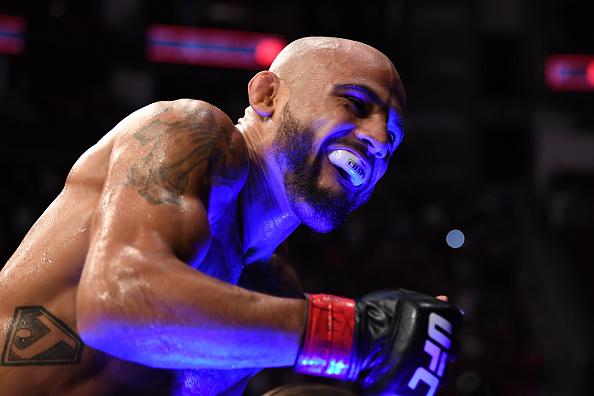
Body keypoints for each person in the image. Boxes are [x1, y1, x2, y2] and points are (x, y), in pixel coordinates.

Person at [0, 37, 461, 396]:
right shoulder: (189, 133)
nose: (379, 138)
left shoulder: (270, 291)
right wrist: (349, 335)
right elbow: (115, 304)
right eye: (356, 104)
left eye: (393, 139)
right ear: (266, 94)